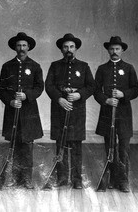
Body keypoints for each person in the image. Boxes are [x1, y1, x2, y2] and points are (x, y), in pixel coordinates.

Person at [45, 33, 95, 189]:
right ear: (61, 49)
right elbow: (49, 86)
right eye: (65, 47)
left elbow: (91, 86)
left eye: (71, 47)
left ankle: (76, 179)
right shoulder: (55, 66)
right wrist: (60, 99)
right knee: (61, 145)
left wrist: (79, 94)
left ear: (76, 49)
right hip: (60, 110)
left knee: (76, 146)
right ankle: (61, 178)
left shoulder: (84, 66)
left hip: (77, 111)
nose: (69, 49)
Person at [0, 32, 44, 189]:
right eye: (19, 45)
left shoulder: (35, 66)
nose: (21, 48)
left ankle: (27, 179)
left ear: (28, 47)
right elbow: (1, 89)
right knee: (14, 146)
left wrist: (27, 95)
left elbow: (40, 87)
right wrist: (10, 101)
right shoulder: (7, 66)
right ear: (14, 47)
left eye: (24, 45)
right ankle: (15, 179)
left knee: (27, 148)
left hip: (29, 113)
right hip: (12, 111)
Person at [94, 36, 138, 192]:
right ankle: (112, 179)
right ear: (108, 50)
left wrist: (123, 94)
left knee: (124, 148)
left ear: (122, 50)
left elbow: (136, 89)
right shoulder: (102, 69)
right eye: (112, 49)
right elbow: (95, 91)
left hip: (124, 114)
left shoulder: (129, 68)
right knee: (110, 147)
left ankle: (124, 180)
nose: (114, 51)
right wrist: (106, 100)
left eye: (117, 49)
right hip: (107, 113)